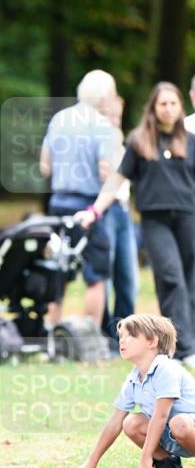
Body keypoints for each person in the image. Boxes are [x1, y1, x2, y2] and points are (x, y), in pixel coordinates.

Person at [77, 82, 195, 367]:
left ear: (181, 107)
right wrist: (95, 210)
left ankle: (184, 342)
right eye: (162, 104)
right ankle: (184, 349)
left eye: (173, 104)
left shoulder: (190, 140)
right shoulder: (140, 140)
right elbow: (117, 179)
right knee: (170, 277)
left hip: (189, 217)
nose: (168, 109)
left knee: (192, 281)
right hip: (155, 220)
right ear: (153, 108)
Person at [76, 314, 195, 468]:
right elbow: (114, 423)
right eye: (121, 337)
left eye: (130, 336)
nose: (122, 341)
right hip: (172, 433)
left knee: (179, 422)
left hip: (186, 427)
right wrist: (92, 461)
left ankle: (153, 462)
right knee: (131, 423)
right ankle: (167, 466)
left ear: (151, 342)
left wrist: (144, 457)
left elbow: (161, 416)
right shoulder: (133, 378)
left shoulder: (165, 368)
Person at [39, 70, 117, 328]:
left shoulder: (59, 119)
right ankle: (91, 333)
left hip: (58, 204)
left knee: (58, 269)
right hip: (88, 207)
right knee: (96, 275)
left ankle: (50, 328)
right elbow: (107, 171)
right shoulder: (102, 125)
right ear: (104, 97)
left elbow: (45, 167)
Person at [100, 94, 138, 348]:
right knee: (104, 274)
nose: (114, 120)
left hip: (123, 210)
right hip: (105, 210)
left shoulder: (119, 140)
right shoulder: (100, 140)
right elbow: (107, 174)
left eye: (117, 115)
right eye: (109, 114)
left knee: (128, 277)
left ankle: (124, 335)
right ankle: (106, 335)